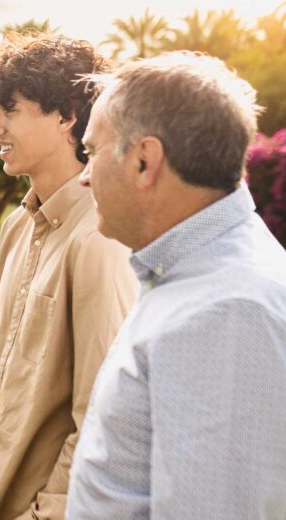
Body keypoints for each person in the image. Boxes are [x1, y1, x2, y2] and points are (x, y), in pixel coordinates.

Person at [67, 52, 286, 518]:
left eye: (90, 152)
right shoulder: (194, 276)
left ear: (145, 161)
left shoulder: (226, 313)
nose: (84, 176)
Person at [0, 34, 137, 520]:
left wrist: (46, 513)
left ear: (65, 116)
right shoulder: (15, 227)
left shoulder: (101, 239)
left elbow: (104, 417)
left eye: (9, 111)